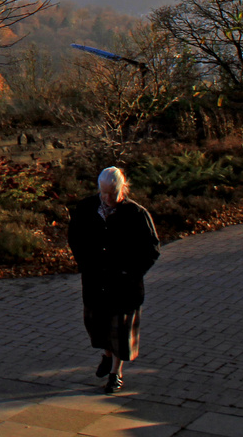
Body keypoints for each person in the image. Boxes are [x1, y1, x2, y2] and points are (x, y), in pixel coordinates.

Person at [66, 166, 160, 393]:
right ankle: (107, 356)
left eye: (112, 193)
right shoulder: (86, 208)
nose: (107, 198)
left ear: (122, 189)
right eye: (103, 193)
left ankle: (115, 373)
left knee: (120, 330)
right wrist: (85, 263)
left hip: (124, 286)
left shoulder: (136, 214)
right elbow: (75, 239)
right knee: (97, 326)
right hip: (95, 282)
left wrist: (131, 272)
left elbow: (152, 248)